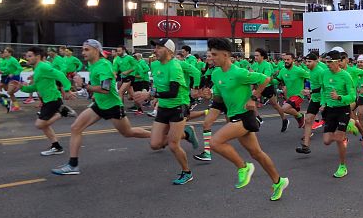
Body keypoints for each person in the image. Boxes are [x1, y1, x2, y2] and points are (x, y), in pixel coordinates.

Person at [51, 40, 151, 175]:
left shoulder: (104, 65)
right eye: (82, 49)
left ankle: (160, 137)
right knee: (75, 127)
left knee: (128, 132)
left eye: (87, 49)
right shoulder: (92, 65)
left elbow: (105, 89)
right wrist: (83, 90)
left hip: (112, 106)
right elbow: (99, 86)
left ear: (96, 50)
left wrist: (84, 85)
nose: (83, 52)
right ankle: (73, 165)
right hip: (99, 104)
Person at [207, 37, 289, 201]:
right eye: (210, 54)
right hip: (232, 117)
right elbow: (219, 98)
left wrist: (253, 97)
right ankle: (279, 181)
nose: (211, 57)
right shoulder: (216, 74)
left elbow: (265, 79)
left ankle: (243, 167)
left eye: (214, 55)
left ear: (225, 55)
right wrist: (210, 99)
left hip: (245, 116)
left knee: (215, 142)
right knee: (257, 153)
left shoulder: (238, 72)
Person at [134, 39, 199, 184]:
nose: (155, 50)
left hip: (178, 106)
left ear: (169, 51)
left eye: (159, 47)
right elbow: (157, 85)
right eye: (155, 47)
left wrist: (150, 96)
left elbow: (173, 93)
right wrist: (151, 94)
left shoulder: (175, 67)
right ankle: (187, 132)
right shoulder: (155, 64)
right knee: (155, 144)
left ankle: (187, 172)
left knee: (173, 144)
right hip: (163, 106)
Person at [21, 47, 75, 156]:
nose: (27, 58)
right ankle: (56, 147)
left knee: (39, 124)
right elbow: (36, 86)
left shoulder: (43, 66)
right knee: (45, 125)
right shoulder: (37, 69)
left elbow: (59, 74)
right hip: (47, 100)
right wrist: (22, 88)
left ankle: (62, 112)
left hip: (53, 99)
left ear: (38, 56)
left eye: (30, 56)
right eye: (27, 56)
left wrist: (68, 89)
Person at [318, 50, 357, 178]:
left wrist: (339, 97)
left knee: (339, 138)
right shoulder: (324, 74)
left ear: (338, 62)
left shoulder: (346, 76)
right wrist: (323, 103)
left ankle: (342, 166)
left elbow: (352, 96)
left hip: (342, 109)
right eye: (326, 61)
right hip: (330, 110)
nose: (327, 64)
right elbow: (323, 91)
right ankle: (347, 130)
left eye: (330, 62)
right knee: (327, 141)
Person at [296, 53, 327, 154]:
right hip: (315, 99)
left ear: (316, 61)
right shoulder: (310, 70)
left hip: (324, 99)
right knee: (308, 120)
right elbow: (311, 82)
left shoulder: (321, 72)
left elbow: (324, 88)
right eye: (306, 61)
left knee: (332, 125)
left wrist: (310, 92)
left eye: (310, 61)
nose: (307, 63)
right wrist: (308, 90)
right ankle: (306, 146)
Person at [251, 49, 288, 128]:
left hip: (267, 87)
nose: (255, 57)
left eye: (257, 55)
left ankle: (284, 119)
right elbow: (252, 77)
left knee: (275, 105)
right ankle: (258, 118)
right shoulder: (254, 65)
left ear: (262, 56)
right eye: (255, 55)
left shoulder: (267, 65)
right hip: (259, 87)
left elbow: (266, 79)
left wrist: (255, 75)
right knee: (250, 100)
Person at [272, 53, 309, 131]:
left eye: (288, 59)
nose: (286, 61)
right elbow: (277, 81)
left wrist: (308, 89)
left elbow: (311, 77)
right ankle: (307, 134)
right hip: (289, 97)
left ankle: (301, 116)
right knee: (298, 118)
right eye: (284, 60)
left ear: (293, 60)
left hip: (298, 95)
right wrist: (268, 80)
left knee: (284, 109)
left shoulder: (299, 70)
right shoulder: (283, 70)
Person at [0, 47, 23, 112]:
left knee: (9, 92)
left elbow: (20, 68)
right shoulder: (6, 59)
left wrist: (13, 74)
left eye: (5, 52)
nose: (4, 53)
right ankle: (17, 106)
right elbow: (7, 69)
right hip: (9, 77)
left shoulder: (13, 60)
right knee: (8, 92)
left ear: (10, 53)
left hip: (14, 77)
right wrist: (2, 71)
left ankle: (21, 85)